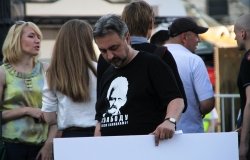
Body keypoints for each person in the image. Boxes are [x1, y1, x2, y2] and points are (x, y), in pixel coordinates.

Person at [93, 14, 185, 145]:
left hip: (147, 149)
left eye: (114, 48)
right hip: (111, 150)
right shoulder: (107, 72)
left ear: (127, 38)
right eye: (103, 51)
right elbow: (101, 116)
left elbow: (176, 99)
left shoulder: (151, 64)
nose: (109, 56)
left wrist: (169, 121)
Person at [97, 1, 187, 111]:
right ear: (151, 23)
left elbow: (100, 102)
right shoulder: (161, 54)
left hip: (114, 125)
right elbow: (181, 102)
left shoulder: (105, 57)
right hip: (153, 126)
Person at [39, 19, 98, 159]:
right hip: (98, 134)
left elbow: (49, 117)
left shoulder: (53, 73)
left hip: (68, 138)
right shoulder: (100, 69)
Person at [0, 21, 48, 160]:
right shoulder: (3, 72)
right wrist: (25, 110)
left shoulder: (46, 70)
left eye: (39, 37)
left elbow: (58, 111)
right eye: (31, 36)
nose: (37, 40)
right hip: (10, 147)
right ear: (15, 39)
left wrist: (49, 145)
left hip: (41, 147)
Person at [164, 17, 215, 133]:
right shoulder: (194, 60)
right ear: (184, 37)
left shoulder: (155, 56)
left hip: (159, 136)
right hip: (190, 133)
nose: (199, 40)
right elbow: (207, 103)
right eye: (196, 35)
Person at [234, 13, 250, 160]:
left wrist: (244, 144)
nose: (234, 38)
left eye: (235, 33)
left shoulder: (248, 59)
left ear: (243, 33)